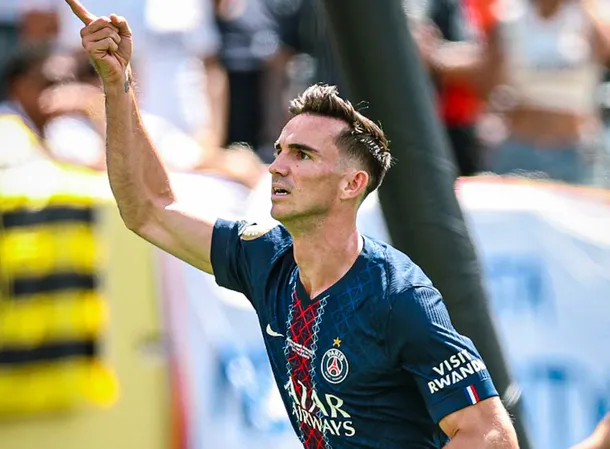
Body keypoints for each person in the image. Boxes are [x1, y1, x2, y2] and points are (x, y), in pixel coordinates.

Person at [64, 0, 520, 447]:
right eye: (280, 150)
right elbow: (148, 209)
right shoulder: (265, 256)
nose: (277, 166)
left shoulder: (398, 297)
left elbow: (491, 436)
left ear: (352, 184)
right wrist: (118, 83)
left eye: (302, 155)